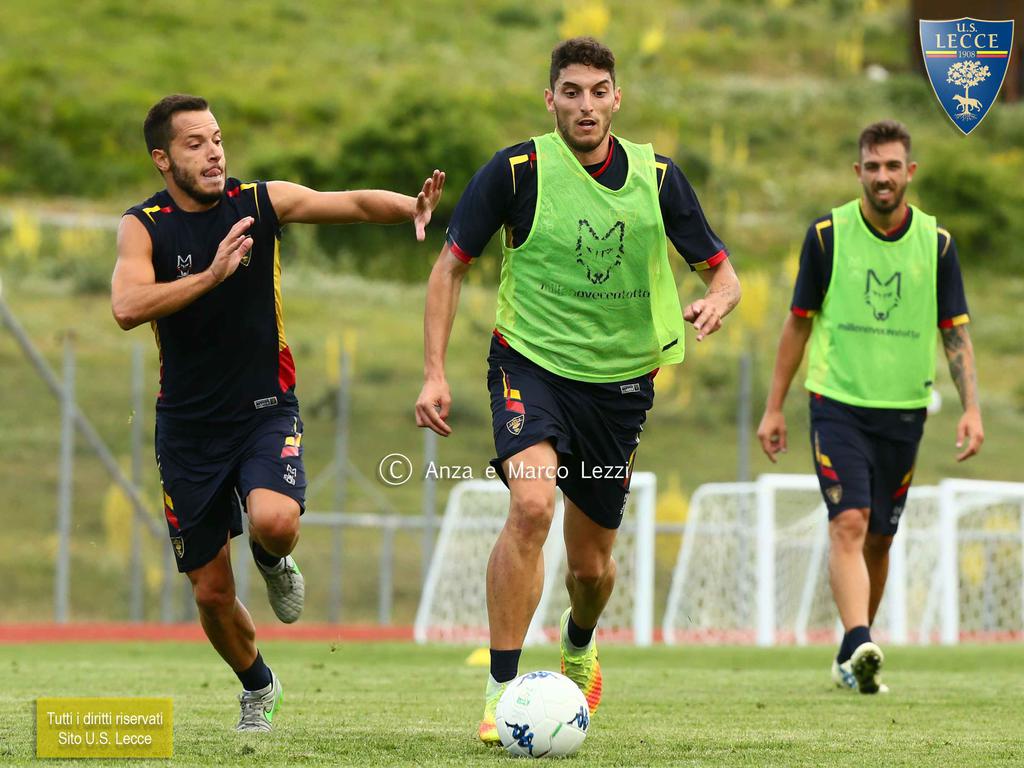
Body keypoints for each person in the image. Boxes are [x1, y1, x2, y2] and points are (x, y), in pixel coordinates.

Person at [415, 38, 740, 743]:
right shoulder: (517, 170)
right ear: (550, 100)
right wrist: (435, 371)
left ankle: (579, 639)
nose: (585, 105)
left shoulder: (658, 177)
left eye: (598, 91)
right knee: (531, 507)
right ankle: (502, 694)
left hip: (619, 387)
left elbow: (722, 271)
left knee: (590, 569)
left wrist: (718, 300)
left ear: (617, 98)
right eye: (571, 92)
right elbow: (450, 266)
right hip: (529, 365)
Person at [111, 94, 444, 731]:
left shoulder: (259, 202)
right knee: (211, 592)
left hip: (264, 407)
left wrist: (411, 207)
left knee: (275, 521)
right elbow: (126, 307)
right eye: (194, 144)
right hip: (186, 429)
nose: (214, 153)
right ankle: (258, 685)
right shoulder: (143, 226)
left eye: (217, 139)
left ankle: (271, 558)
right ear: (162, 159)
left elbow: (348, 203)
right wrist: (211, 275)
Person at [756, 120, 983, 694]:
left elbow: (955, 332)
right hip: (837, 404)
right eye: (873, 166)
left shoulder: (937, 243)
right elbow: (797, 323)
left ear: (910, 171)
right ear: (858, 171)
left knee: (880, 536)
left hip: (905, 410)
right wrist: (774, 407)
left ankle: (849, 654)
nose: (883, 176)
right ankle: (861, 640)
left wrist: (972, 409)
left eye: (893, 166)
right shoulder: (827, 235)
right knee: (850, 521)